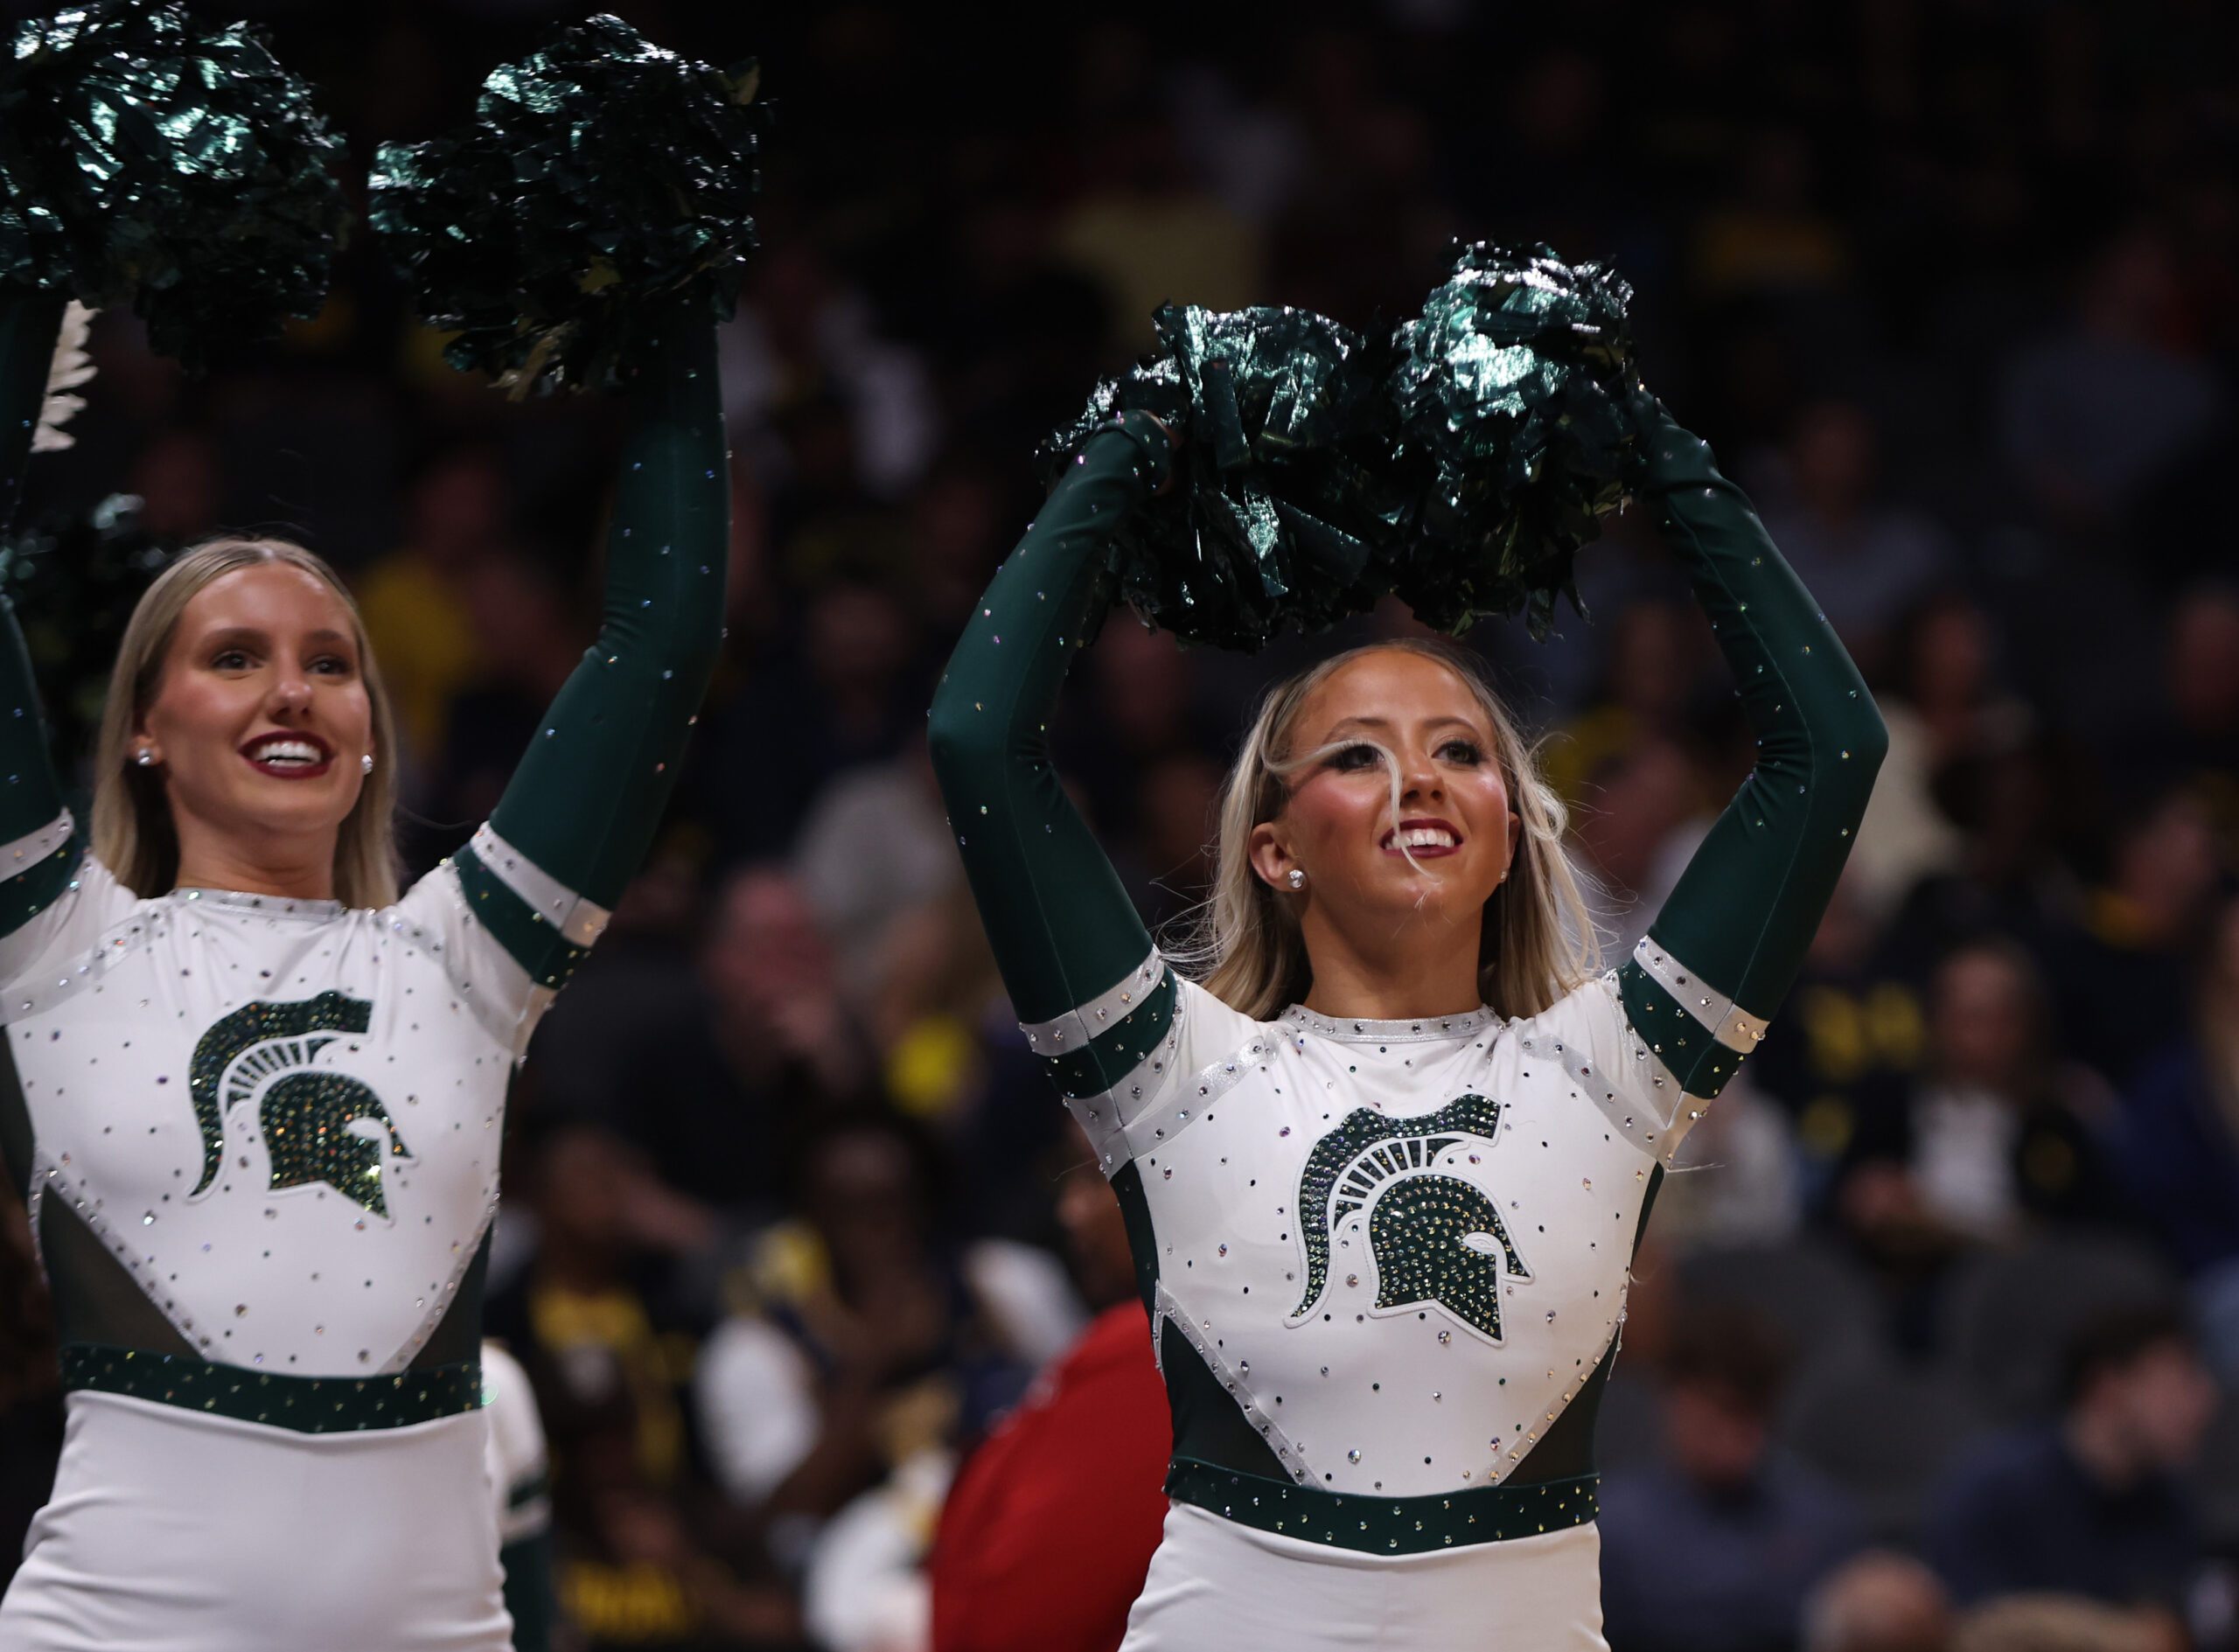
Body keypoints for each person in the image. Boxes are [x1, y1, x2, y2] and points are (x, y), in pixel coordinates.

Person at [926, 383, 1887, 1647]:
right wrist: (1129, 447)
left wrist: (1659, 454)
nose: (1418, 775)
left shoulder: (1616, 1066)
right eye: (1357, 753)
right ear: (1277, 852)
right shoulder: (1174, 1069)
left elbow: (1830, 750)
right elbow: (980, 738)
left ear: (1509, 840)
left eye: (1461, 749)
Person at [0, 290, 728, 1651]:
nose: (294, 692)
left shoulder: (466, 959)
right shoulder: (52, 947)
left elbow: (661, 640)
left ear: (376, 731)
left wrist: (676, 301)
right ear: (147, 729)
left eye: (330, 664)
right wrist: (33, 272)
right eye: (236, 659)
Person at [1924, 1304, 2217, 1628]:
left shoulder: (2173, 1504)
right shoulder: (1993, 1492)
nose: (2204, 1400)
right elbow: (1977, 1626)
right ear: (2109, 1389)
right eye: (2179, 1381)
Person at [1597, 1306, 1864, 1652]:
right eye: (1721, 1410)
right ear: (1674, 1401)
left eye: (1752, 1414)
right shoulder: (1612, 1530)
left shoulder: (1821, 1518)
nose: (1735, 1435)